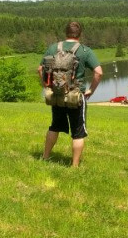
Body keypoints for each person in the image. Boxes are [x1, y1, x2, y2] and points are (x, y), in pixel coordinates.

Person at [38, 21, 103, 167]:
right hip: (76, 96)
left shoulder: (53, 48)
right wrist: (91, 90)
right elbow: (98, 72)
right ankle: (74, 166)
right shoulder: (85, 51)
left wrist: (48, 86)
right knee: (78, 132)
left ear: (66, 32)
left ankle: (45, 157)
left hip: (57, 96)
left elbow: (40, 69)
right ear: (80, 34)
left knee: (54, 126)